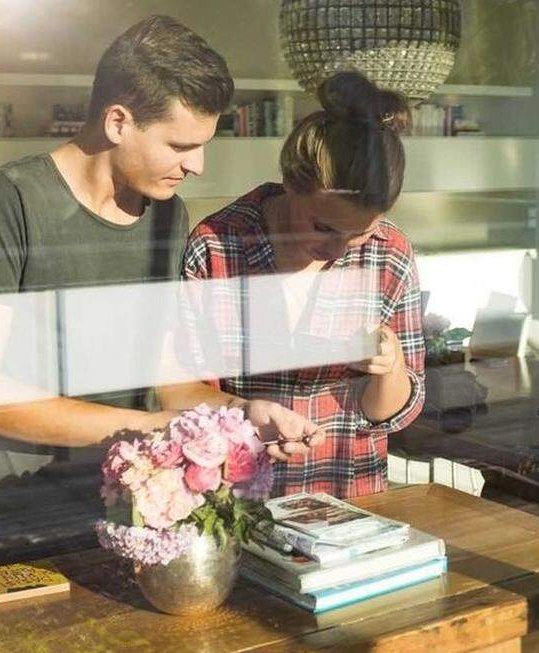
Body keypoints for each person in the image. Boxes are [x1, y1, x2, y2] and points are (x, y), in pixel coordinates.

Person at [0, 15, 318, 564]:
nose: (197, 165)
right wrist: (149, 429)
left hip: (140, 516)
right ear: (118, 122)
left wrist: (242, 414)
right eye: (180, 145)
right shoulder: (6, 199)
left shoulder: (167, 214)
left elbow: (168, 383)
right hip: (20, 520)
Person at [157, 71, 426, 498]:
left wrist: (389, 367)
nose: (340, 249)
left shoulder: (388, 252)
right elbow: (177, 392)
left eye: (358, 232)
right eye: (323, 227)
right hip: (241, 505)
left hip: (352, 503)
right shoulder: (219, 247)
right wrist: (244, 412)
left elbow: (391, 414)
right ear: (291, 184)